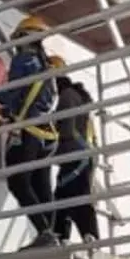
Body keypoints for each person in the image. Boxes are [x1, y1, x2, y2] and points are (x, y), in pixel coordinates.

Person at [0, 16, 61, 249]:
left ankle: (45, 232)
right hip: (47, 135)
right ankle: (52, 234)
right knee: (42, 185)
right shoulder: (47, 67)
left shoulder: (23, 60)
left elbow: (13, 91)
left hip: (30, 132)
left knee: (18, 182)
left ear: (24, 38)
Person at [48, 55, 100, 244]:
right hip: (81, 155)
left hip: (76, 155)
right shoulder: (77, 96)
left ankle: (89, 236)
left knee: (76, 196)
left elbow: (66, 129)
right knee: (63, 196)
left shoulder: (67, 95)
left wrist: (48, 147)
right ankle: (61, 237)